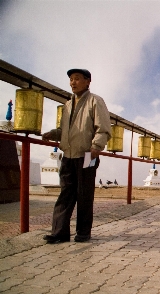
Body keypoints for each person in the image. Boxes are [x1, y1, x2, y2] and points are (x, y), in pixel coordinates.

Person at [42, 69, 111, 243]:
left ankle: (83, 232)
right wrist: (54, 133)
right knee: (65, 194)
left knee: (84, 194)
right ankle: (60, 232)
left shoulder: (95, 101)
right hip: (69, 155)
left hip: (88, 154)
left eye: (77, 79)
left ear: (88, 81)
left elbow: (103, 128)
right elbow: (67, 131)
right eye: (71, 79)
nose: (73, 82)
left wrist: (96, 146)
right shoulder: (67, 105)